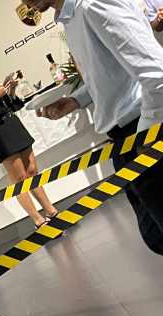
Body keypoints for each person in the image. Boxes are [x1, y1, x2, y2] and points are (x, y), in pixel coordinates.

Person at [26, 0, 163, 256]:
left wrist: (147, 136)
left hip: (143, 131)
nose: (23, 2)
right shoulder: (71, 18)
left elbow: (157, 74)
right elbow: (109, 72)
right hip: (125, 139)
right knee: (154, 235)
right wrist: (77, 100)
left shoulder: (94, 5)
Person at [0, 44, 59, 227]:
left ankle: (50, 209)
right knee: (19, 179)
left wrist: (12, 90)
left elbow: (11, 106)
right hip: (1, 133)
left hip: (14, 126)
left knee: (32, 171)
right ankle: (37, 219)